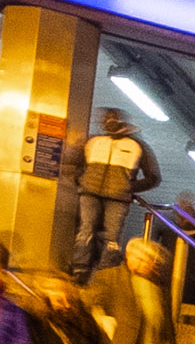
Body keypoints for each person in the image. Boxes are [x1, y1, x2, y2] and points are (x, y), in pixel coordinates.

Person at [61, 105, 156, 277]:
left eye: (112, 119)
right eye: (106, 120)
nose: (108, 123)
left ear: (121, 121)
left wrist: (129, 188)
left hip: (117, 198)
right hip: (91, 193)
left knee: (111, 237)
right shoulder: (93, 142)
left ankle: (104, 273)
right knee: (87, 230)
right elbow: (71, 162)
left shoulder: (136, 146)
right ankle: (80, 269)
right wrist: (80, 180)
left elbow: (153, 177)